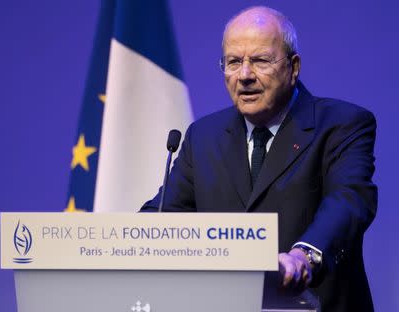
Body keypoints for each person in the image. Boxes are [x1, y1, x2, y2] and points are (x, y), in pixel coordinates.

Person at [141, 6, 377, 312]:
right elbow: (163, 215)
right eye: (234, 62)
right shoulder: (203, 136)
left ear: (293, 67)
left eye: (260, 61)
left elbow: (349, 201)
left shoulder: (342, 124)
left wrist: (303, 256)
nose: (245, 76)